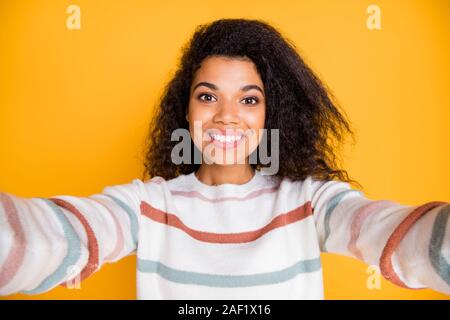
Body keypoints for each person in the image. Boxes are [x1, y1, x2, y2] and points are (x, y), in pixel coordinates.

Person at [0, 18, 448, 299]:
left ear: (274, 112)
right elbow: (54, 239)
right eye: (208, 96)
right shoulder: (149, 205)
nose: (227, 116)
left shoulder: (309, 203)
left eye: (249, 100)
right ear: (186, 109)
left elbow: (395, 237)